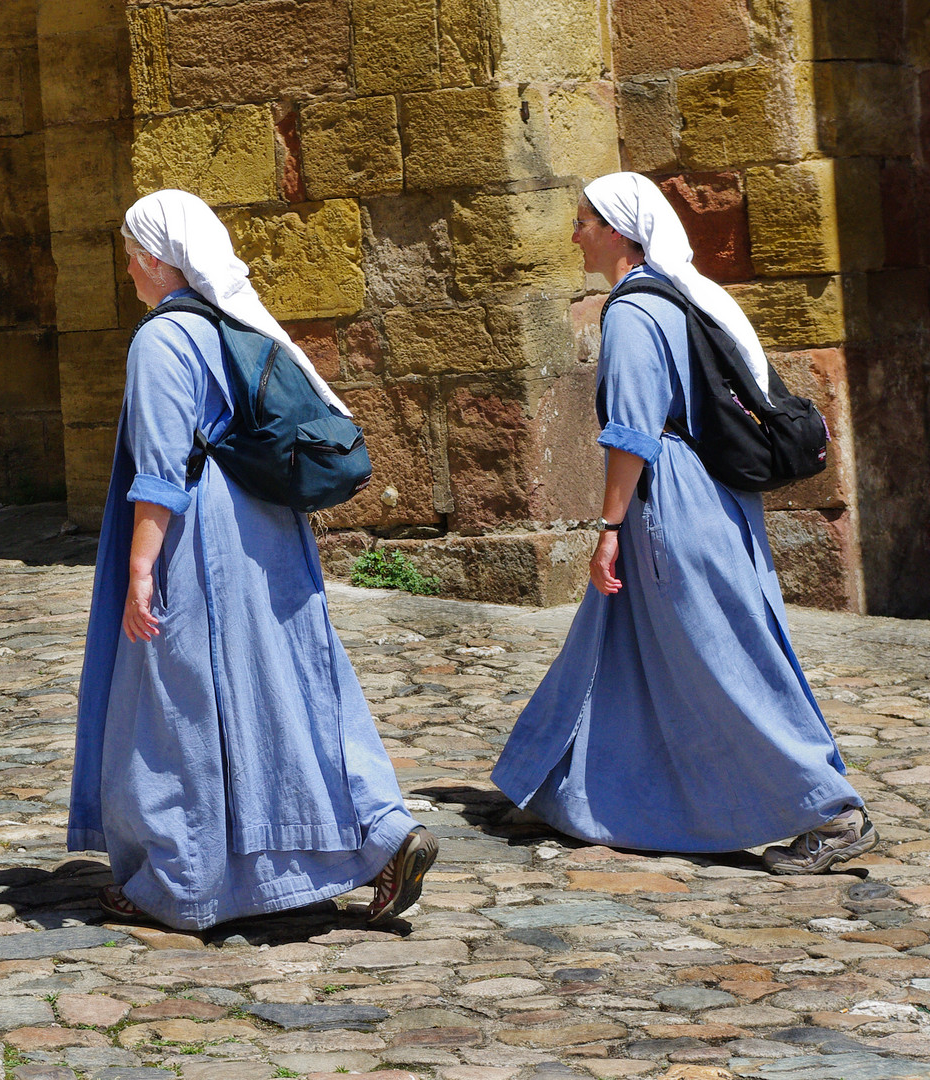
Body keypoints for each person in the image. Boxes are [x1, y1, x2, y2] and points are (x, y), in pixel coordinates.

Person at [67, 189, 435, 931]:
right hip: (268, 536)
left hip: (200, 544)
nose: (129, 270)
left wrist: (141, 570)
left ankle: (182, 881)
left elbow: (160, 474)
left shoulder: (162, 340)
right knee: (296, 691)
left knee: (183, 708)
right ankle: (379, 834)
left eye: (131, 254)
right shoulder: (239, 324)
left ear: (154, 258)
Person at [490, 171, 875, 876]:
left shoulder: (634, 313)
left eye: (581, 221)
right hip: (706, 499)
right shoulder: (684, 299)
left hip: (671, 507)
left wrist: (607, 527)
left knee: (724, 655)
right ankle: (553, 786)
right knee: (614, 644)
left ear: (614, 230)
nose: (573, 233)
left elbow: (632, 432)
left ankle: (829, 809)